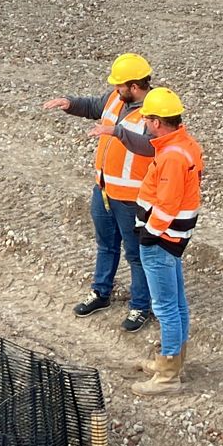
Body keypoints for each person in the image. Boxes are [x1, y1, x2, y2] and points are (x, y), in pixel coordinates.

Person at [43, 53, 154, 331]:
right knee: (105, 246)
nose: (116, 90)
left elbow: (150, 147)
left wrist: (116, 132)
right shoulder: (116, 98)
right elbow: (94, 106)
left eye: (120, 85)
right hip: (104, 190)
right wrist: (70, 104)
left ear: (134, 85)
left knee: (136, 254)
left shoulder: (155, 111)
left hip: (131, 199)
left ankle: (140, 307)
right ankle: (100, 292)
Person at [127, 86, 203, 397]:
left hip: (162, 239)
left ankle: (169, 374)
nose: (144, 124)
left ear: (158, 121)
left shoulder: (171, 155)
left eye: (147, 119)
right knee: (178, 302)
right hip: (174, 238)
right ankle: (172, 361)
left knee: (166, 306)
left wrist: (150, 233)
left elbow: (168, 203)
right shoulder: (185, 144)